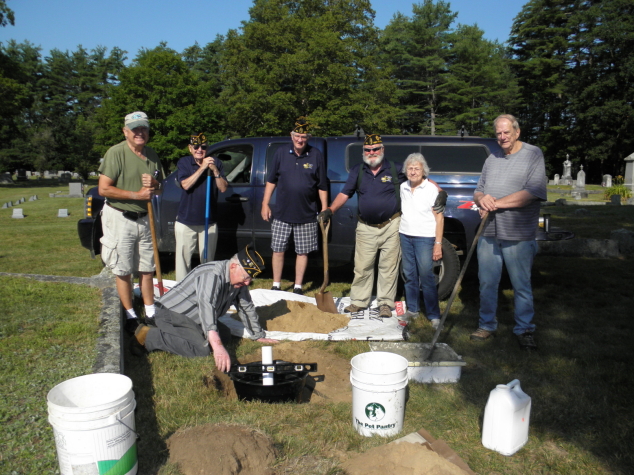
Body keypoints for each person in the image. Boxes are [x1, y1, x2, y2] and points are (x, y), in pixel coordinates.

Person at [131, 244, 278, 372]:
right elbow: (206, 306)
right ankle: (149, 335)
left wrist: (257, 335)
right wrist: (217, 346)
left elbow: (246, 306)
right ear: (233, 266)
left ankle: (185, 333)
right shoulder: (212, 274)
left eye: (250, 280)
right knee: (202, 349)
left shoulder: (238, 281)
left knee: (225, 334)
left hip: (194, 318)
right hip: (169, 314)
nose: (247, 283)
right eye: (246, 278)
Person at [471, 114, 547, 350]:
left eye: (506, 132)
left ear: (517, 132)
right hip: (489, 232)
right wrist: (483, 199)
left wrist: (496, 203)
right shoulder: (491, 159)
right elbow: (478, 191)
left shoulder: (533, 154)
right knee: (486, 282)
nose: (502, 137)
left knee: (521, 285)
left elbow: (532, 192)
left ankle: (524, 329)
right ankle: (486, 325)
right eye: (498, 134)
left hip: (518, 233)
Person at [318, 134, 405, 318]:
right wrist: (330, 210)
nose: (371, 153)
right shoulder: (358, 170)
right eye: (368, 150)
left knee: (388, 267)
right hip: (366, 227)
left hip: (392, 224)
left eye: (375, 149)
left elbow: (419, 179)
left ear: (382, 150)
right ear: (363, 152)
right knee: (362, 266)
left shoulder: (396, 168)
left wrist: (438, 192)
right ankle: (358, 302)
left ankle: (384, 303)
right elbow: (345, 193)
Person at [98, 111, 164, 334]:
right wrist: (137, 195)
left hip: (145, 219)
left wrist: (155, 184)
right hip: (120, 217)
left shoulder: (152, 155)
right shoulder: (116, 153)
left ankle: (150, 310)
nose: (140, 133)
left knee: (147, 268)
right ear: (125, 131)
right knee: (123, 268)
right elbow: (104, 188)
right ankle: (129, 314)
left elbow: (160, 188)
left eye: (143, 128)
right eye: (135, 129)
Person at [261, 117, 328, 295]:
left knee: (303, 252)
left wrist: (325, 209)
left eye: (303, 136)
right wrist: (265, 203)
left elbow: (322, 185)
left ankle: (298, 286)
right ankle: (276, 284)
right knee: (278, 250)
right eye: (297, 135)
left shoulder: (316, 155)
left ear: (308, 137)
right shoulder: (281, 153)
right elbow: (271, 180)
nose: (300, 139)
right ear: (292, 135)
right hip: (282, 213)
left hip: (306, 214)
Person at [174, 133, 228, 281]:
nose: (199, 150)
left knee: (208, 261)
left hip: (208, 221)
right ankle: (182, 290)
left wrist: (215, 171)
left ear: (207, 148)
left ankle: (206, 287)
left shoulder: (216, 163)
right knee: (183, 261)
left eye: (203, 147)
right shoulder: (184, 162)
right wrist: (203, 168)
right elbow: (185, 184)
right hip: (186, 221)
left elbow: (223, 188)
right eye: (196, 147)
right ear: (190, 148)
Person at [398, 153, 444, 328]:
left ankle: (433, 315)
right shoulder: (403, 187)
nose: (413, 171)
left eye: (417, 168)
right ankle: (412, 310)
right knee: (409, 275)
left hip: (425, 237)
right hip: (405, 234)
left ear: (423, 170)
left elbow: (439, 218)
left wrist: (438, 244)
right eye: (410, 168)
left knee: (426, 275)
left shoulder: (431, 189)